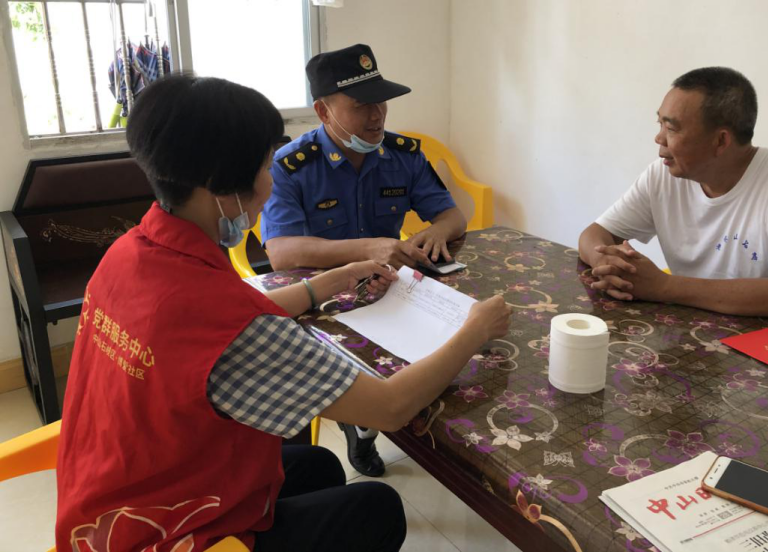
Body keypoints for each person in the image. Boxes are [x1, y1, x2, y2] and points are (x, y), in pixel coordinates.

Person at [55, 74, 511, 552]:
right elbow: (390, 408)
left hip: (112, 500)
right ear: (221, 186)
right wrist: (473, 329)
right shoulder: (230, 325)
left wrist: (332, 279)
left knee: (318, 466)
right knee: (377, 508)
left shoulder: (130, 254)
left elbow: (220, 315)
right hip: (165, 536)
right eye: (264, 166)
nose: (270, 183)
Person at [261, 43, 468, 476]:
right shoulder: (291, 165)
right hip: (321, 297)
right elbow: (281, 254)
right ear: (323, 111)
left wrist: (436, 231)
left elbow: (452, 217)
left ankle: (435, 433)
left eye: (381, 103)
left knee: (457, 335)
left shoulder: (402, 155)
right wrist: (367, 248)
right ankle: (363, 424)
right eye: (361, 106)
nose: (377, 117)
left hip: (387, 285)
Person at [578, 66, 768, 329]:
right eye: (659, 123)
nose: (658, 138)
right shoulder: (663, 175)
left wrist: (663, 286)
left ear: (720, 141)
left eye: (671, 128)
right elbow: (595, 234)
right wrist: (605, 262)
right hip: (701, 329)